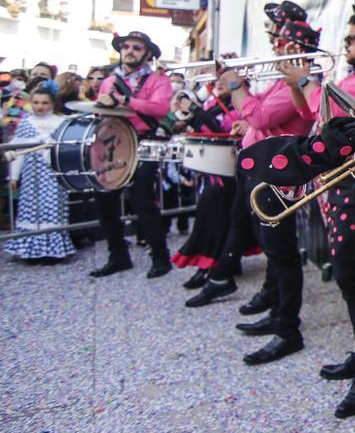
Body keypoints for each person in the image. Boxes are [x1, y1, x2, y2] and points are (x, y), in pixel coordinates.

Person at [241, 4, 355, 418]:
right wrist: (299, 85)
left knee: (352, 275)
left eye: (352, 39)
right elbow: (315, 118)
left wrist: (305, 78)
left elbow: (339, 114)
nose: (345, 46)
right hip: (342, 185)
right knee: (350, 275)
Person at [190, 19, 319, 368]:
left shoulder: (303, 84)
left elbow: (261, 117)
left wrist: (235, 84)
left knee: (282, 252)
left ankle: (288, 329)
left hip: (279, 174)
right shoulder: (281, 83)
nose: (274, 48)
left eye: (281, 43)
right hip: (261, 170)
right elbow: (252, 111)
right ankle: (278, 312)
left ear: (297, 49)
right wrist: (237, 85)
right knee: (272, 249)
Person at [91, 32, 174, 279]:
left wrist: (126, 100)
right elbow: (100, 107)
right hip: (113, 144)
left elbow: (160, 108)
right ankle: (118, 257)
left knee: (143, 202)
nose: (129, 51)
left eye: (136, 47)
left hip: (144, 142)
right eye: (125, 46)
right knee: (105, 201)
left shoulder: (157, 79)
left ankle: (160, 257)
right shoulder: (109, 80)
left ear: (147, 53)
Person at [171, 82, 242, 286]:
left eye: (223, 79)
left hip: (228, 171)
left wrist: (195, 112)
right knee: (215, 217)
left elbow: (226, 131)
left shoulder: (238, 105)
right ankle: (221, 264)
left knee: (215, 217)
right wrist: (190, 115)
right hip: (210, 169)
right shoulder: (213, 103)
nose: (218, 83)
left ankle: (210, 267)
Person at [3, 85, 73, 263]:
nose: (39, 107)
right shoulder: (26, 122)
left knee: (53, 209)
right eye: (35, 103)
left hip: (53, 173)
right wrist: (14, 176)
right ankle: (32, 251)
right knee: (30, 209)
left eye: (44, 103)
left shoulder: (61, 121)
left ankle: (51, 251)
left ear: (52, 103)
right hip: (31, 175)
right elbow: (18, 149)